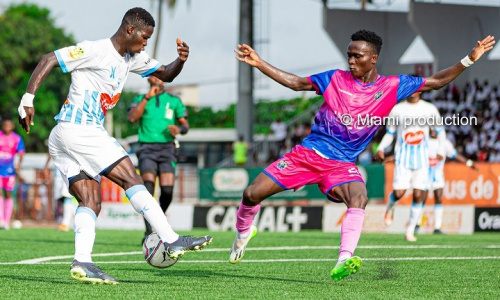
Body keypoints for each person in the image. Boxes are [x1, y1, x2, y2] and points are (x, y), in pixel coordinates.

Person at [229, 30, 495, 281]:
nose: (351, 61)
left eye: (357, 56)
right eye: (349, 55)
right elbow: (297, 84)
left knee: (359, 197)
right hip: (309, 155)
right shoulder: (335, 78)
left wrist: (469, 60)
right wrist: (259, 63)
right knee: (252, 194)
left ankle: (344, 259)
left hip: (341, 165)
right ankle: (243, 234)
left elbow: (436, 82)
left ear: (373, 58)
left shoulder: (392, 86)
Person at [17, 7, 212, 285]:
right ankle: (170, 239)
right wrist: (28, 99)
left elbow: (166, 74)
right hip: (80, 129)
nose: (145, 43)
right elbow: (49, 59)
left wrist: (180, 60)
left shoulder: (132, 58)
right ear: (130, 30)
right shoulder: (94, 50)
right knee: (132, 178)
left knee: (90, 201)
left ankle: (82, 261)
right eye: (144, 37)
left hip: (63, 137)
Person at [374, 90, 445, 242]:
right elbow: (390, 133)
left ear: (421, 89)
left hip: (422, 160)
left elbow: (440, 131)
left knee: (419, 195)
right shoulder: (397, 109)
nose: (413, 91)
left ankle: (410, 230)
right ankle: (391, 206)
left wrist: (441, 149)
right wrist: (381, 148)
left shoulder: (429, 108)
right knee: (399, 193)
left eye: (416, 88)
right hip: (403, 159)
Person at [128, 75, 189, 244]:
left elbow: (185, 126)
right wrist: (148, 97)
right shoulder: (140, 99)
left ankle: (158, 221)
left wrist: (179, 129)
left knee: (167, 191)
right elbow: (132, 118)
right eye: (153, 76)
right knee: (147, 188)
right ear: (148, 79)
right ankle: (149, 233)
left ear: (164, 80)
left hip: (167, 149)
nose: (157, 79)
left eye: (160, 76)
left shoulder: (174, 100)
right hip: (147, 148)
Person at [416, 130, 476, 234]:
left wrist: (469, 163)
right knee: (422, 199)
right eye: (431, 129)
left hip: (438, 177)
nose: (433, 131)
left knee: (438, 199)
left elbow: (455, 155)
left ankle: (437, 227)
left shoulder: (444, 143)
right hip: (424, 176)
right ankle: (416, 224)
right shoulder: (423, 141)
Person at [0, 117, 25, 230]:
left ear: (12, 127)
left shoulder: (17, 138)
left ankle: (6, 220)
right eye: (5, 125)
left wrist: (19, 164)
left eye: (9, 125)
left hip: (10, 170)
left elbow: (21, 153)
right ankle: (1, 219)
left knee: (8, 194)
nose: (6, 127)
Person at [44, 155, 77, 232]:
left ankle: (66, 223)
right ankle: (71, 222)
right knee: (64, 197)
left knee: (68, 196)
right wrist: (46, 165)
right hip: (59, 172)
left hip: (68, 170)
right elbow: (50, 150)